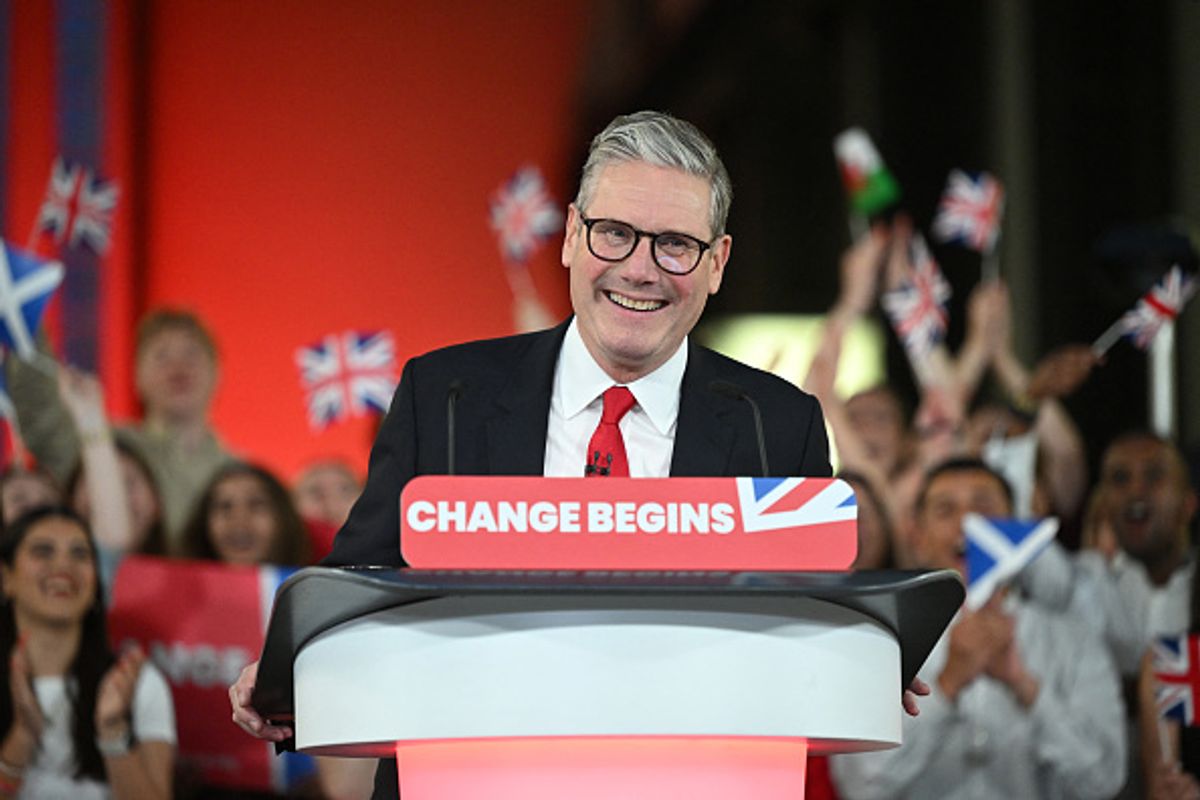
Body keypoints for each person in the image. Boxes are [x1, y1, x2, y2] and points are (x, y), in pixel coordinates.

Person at [230, 110, 838, 799]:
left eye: (674, 244)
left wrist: (863, 657)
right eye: (615, 234)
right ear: (574, 236)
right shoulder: (448, 395)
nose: (639, 270)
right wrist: (291, 674)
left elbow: (811, 626)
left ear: (718, 262)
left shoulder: (778, 425)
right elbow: (361, 582)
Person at [831, 457, 1126, 799]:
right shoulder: (878, 644)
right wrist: (947, 684)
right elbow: (860, 785)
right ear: (917, 536)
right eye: (945, 511)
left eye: (982, 507)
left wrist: (1027, 688)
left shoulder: (1073, 640)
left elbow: (1106, 781)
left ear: (1016, 527)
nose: (967, 525)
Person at [7, 310, 236, 551]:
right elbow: (42, 417)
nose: (178, 366)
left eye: (192, 352)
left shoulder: (239, 476)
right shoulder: (101, 446)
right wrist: (22, 309)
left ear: (217, 371)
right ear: (137, 375)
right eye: (161, 355)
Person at [0, 506, 175, 798]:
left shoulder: (135, 684)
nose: (63, 567)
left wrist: (112, 733)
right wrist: (22, 736)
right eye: (43, 551)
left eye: (80, 554)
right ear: (6, 579)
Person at [181, 463, 311, 568]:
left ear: (283, 518)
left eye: (256, 504)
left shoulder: (312, 592)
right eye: (224, 506)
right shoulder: (178, 593)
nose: (239, 520)